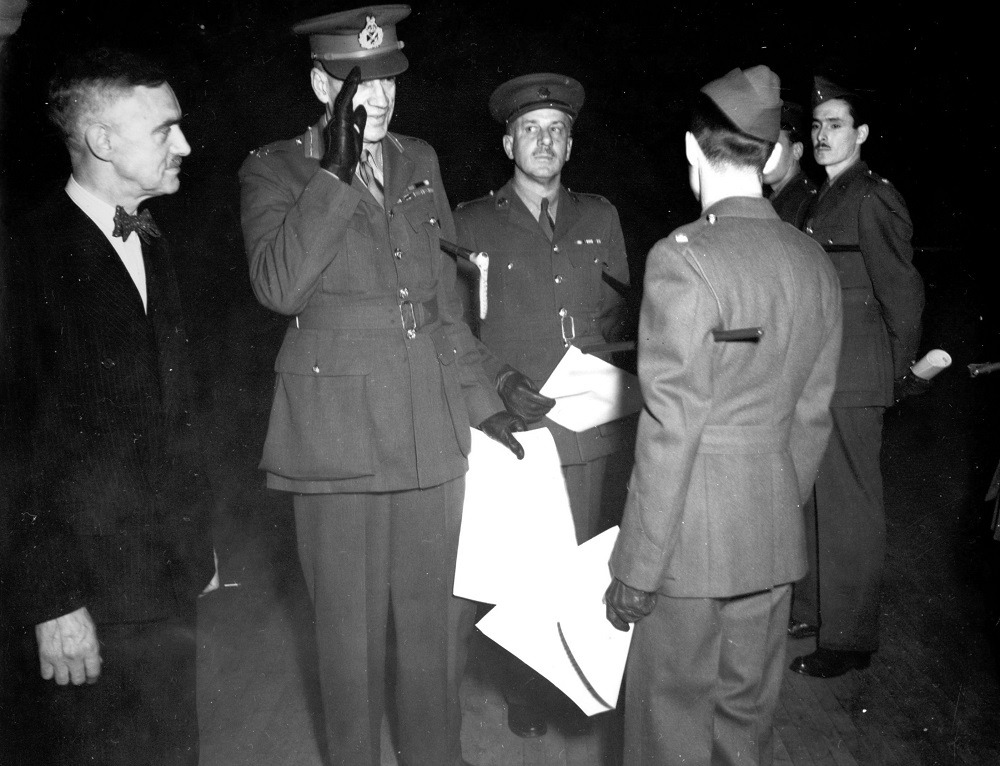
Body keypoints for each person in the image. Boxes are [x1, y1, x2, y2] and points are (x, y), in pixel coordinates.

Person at [238, 7, 522, 766]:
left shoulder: (418, 157)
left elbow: (435, 303)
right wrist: (333, 174)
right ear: (319, 82)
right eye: (359, 82)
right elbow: (279, 286)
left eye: (391, 78)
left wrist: (486, 398)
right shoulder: (274, 168)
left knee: (431, 637)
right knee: (350, 646)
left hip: (429, 436)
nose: (382, 99)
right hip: (337, 446)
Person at [604, 65, 843, 766]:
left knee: (666, 733)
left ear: (690, 149)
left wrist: (638, 568)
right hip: (770, 533)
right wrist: (768, 505)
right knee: (744, 729)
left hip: (684, 546)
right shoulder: (812, 262)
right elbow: (812, 417)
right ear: (772, 156)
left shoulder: (682, 260)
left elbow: (672, 426)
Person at [0, 47, 215, 765]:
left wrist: (198, 539)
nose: (184, 145)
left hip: (162, 576)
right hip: (83, 593)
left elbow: (175, 406)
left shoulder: (148, 231)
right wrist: (50, 598)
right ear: (102, 142)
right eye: (165, 130)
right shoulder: (22, 253)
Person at [453, 72, 634, 738]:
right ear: (508, 142)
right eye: (530, 129)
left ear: (570, 143)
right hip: (519, 429)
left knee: (592, 562)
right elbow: (458, 328)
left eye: (557, 130)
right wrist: (500, 379)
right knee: (524, 574)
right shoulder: (470, 221)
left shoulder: (601, 215)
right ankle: (527, 693)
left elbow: (616, 307)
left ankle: (580, 686)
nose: (544, 141)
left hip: (590, 426)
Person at [788, 75, 926, 678]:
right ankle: (818, 610)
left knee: (850, 508)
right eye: (816, 127)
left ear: (861, 134)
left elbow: (904, 293)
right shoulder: (825, 193)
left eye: (835, 125)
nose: (821, 136)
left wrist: (899, 376)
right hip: (823, 372)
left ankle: (848, 639)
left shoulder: (871, 196)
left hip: (856, 373)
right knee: (820, 500)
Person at [763, 100, 817, 228]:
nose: (763, 154)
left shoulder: (806, 203)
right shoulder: (772, 196)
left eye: (773, 147)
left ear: (797, 151)